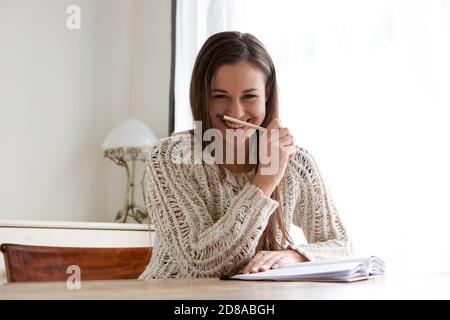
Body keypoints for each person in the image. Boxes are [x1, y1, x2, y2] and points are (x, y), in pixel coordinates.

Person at [139, 31, 352, 279]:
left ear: (268, 93)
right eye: (220, 97)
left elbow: (341, 246)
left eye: (249, 96)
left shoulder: (296, 163)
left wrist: (293, 257)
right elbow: (202, 265)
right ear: (202, 97)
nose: (236, 112)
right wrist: (265, 181)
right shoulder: (170, 157)